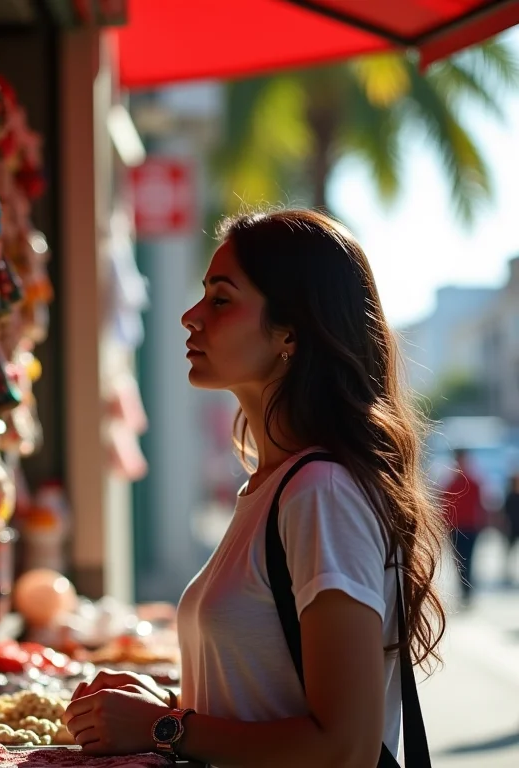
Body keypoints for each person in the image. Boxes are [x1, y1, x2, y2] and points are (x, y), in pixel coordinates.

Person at [62, 209, 447, 767]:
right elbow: (266, 705)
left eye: (221, 299)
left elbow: (346, 748)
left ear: (291, 329)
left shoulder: (321, 493)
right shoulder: (272, 487)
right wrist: (163, 708)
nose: (191, 317)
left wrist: (166, 727)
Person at [442, 448, 485, 605]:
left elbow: (480, 505)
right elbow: (445, 507)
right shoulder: (450, 484)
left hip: (470, 527)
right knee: (460, 559)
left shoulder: (472, 482)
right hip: (456, 527)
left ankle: (467, 590)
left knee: (468, 559)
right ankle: (464, 589)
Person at [500, 471, 519, 585]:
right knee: (509, 552)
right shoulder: (509, 496)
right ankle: (507, 573)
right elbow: (504, 514)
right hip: (511, 528)